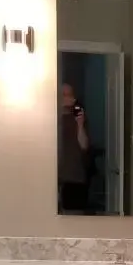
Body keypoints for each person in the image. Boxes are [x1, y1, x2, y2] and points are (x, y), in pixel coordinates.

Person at [58, 82, 92, 212]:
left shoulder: (79, 118)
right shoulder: (49, 117)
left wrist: (80, 125)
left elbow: (84, 145)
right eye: (63, 95)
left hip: (74, 177)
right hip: (52, 177)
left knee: (74, 221)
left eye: (69, 94)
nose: (66, 97)